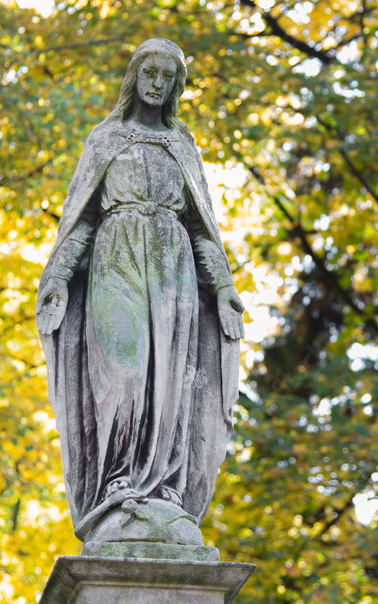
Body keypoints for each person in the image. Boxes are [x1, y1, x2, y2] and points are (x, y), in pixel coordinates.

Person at [36, 38, 244, 542]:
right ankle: (117, 485)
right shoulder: (106, 140)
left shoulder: (182, 146)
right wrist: (59, 275)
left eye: (166, 77)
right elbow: (82, 218)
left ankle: (162, 491)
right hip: (116, 260)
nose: (156, 84)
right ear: (135, 77)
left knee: (168, 382)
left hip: (173, 271)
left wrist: (221, 286)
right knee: (124, 375)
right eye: (148, 73)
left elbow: (201, 228)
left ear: (176, 86)